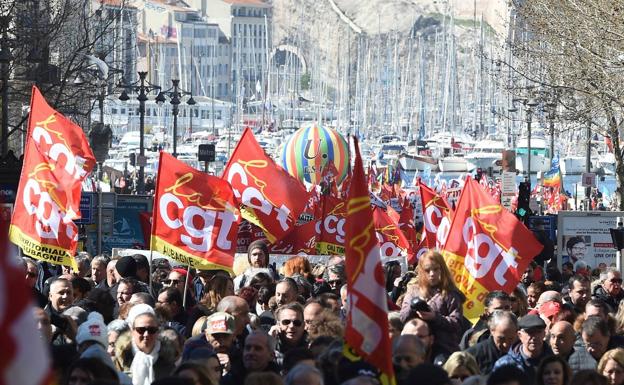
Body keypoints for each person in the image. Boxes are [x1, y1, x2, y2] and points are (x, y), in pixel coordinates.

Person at [400, 250, 464, 354]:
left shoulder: (450, 294)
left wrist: (435, 317)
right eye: (427, 270)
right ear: (421, 271)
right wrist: (414, 306)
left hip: (444, 348)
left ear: (442, 269)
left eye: (436, 269)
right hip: (415, 348)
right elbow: (403, 317)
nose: (432, 274)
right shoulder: (413, 291)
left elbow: (457, 324)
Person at [493, 314, 553, 379]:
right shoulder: (505, 364)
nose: (535, 337)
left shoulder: (555, 362)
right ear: (519, 335)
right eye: (530, 332)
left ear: (544, 334)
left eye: (538, 332)